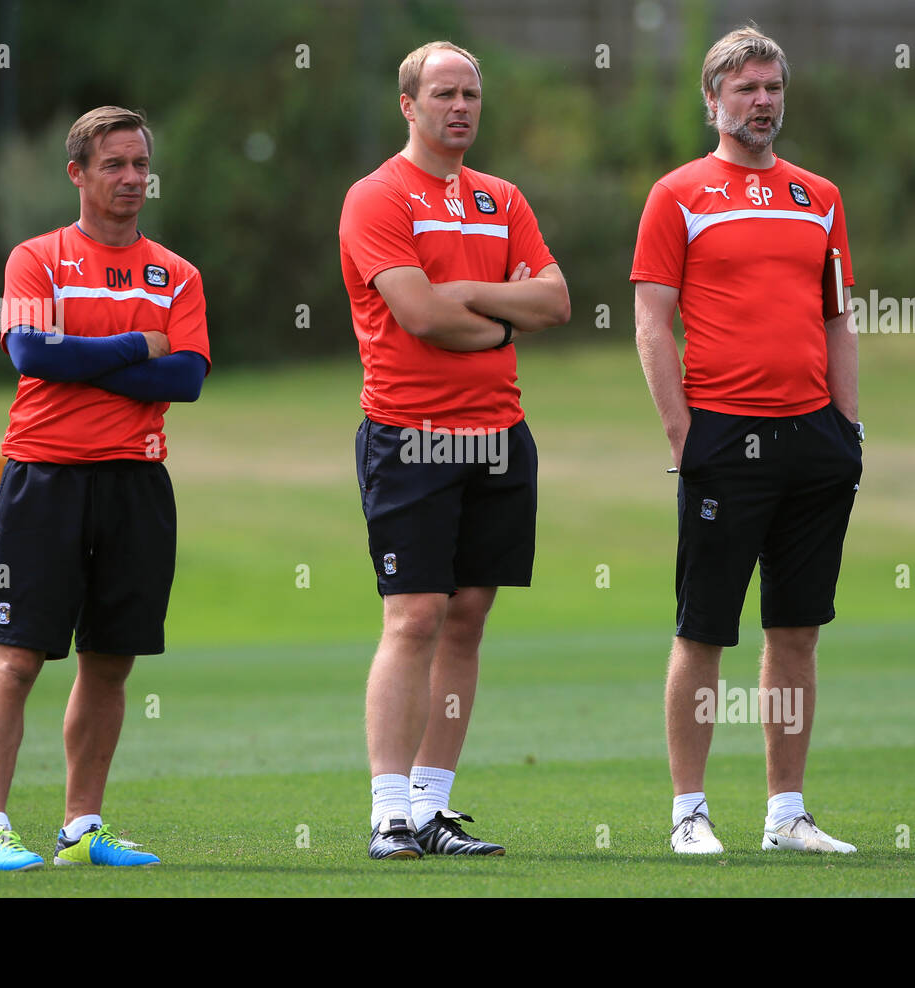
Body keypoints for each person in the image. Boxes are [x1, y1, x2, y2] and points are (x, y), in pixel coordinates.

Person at [631, 26, 863, 855]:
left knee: (795, 630)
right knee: (703, 631)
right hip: (724, 438)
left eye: (771, 87)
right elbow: (652, 323)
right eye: (744, 89)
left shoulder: (820, 197)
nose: (761, 100)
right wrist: (683, 434)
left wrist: (850, 427)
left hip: (815, 441)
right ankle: (689, 812)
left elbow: (839, 317)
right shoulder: (679, 194)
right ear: (713, 100)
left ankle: (785, 815)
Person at [339, 41, 570, 859]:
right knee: (414, 617)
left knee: (468, 617)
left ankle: (435, 808)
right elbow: (418, 315)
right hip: (411, 436)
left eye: (471, 93)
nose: (461, 106)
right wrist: (499, 318)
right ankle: (390, 811)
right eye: (444, 93)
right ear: (409, 104)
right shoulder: (377, 197)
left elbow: (557, 300)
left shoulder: (502, 199)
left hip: (500, 435)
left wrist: (472, 295)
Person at [0, 106, 210, 870]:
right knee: (16, 658)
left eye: (141, 165)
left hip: (136, 482)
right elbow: (36, 355)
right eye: (115, 165)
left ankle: (81, 829)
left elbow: (189, 376)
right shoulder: (36, 259)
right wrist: (139, 343)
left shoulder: (177, 272)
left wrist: (88, 355)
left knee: (110, 660)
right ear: (77, 173)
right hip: (44, 478)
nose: (133, 179)